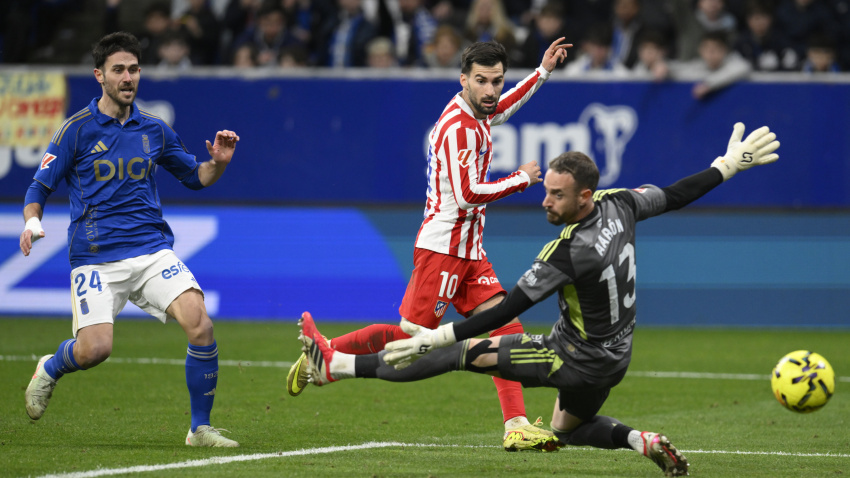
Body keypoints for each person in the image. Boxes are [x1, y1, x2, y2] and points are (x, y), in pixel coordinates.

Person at [297, 122, 781, 477]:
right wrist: (725, 167)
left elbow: (508, 309)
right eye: (546, 191)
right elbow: (675, 195)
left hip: (571, 357)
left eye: (556, 195)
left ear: (584, 196)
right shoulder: (622, 204)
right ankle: (641, 440)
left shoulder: (569, 252)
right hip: (616, 359)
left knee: (455, 354)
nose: (545, 201)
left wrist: (437, 336)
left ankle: (335, 366)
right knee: (567, 430)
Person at [287, 38, 571, 452]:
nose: (491, 90)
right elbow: (467, 195)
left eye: (496, 81)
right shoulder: (458, 128)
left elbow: (506, 105)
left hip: (470, 252)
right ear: (463, 80)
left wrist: (542, 71)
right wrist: (521, 179)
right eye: (482, 81)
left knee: (507, 330)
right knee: (413, 340)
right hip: (443, 251)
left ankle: (516, 425)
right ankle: (327, 354)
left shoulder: (480, 112)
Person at [19, 32, 240, 448]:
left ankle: (199, 428)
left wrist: (218, 163)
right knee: (94, 350)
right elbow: (39, 187)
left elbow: (196, 177)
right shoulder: (75, 130)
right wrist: (32, 222)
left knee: (200, 323)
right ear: (99, 75)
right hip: (95, 257)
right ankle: (50, 367)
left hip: (152, 250)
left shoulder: (154, 129)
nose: (127, 77)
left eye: (134, 69)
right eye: (118, 69)